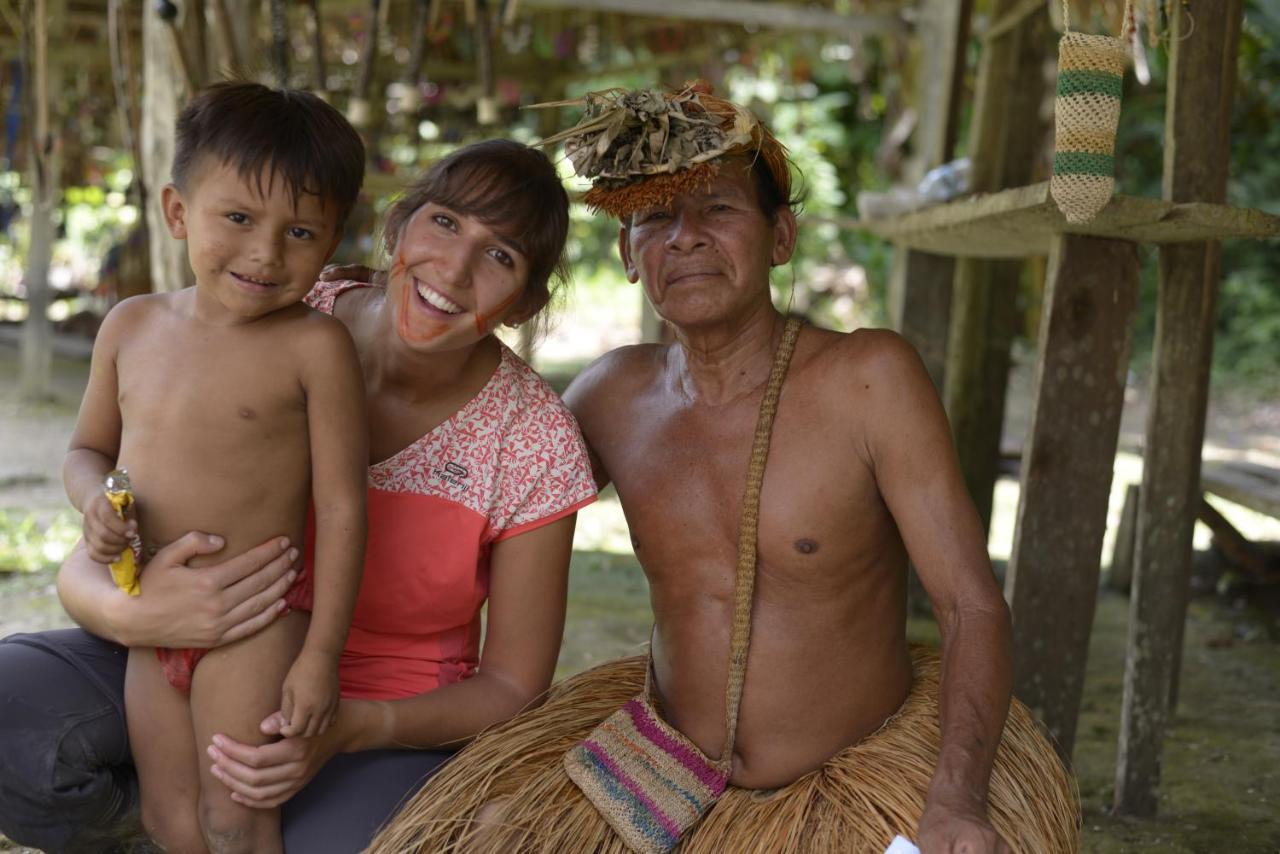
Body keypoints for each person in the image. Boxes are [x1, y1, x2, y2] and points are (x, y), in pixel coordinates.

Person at [368, 85, 1079, 854]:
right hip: (663, 761)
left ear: (781, 237)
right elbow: (465, 504)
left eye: (719, 210)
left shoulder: (869, 379)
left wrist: (957, 801)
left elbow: (972, 607)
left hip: (855, 770)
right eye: (656, 219)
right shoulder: (611, 396)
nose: (686, 239)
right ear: (629, 256)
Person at [0, 138, 596, 854]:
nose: (456, 268)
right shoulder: (267, 303)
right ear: (398, 225)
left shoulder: (530, 437)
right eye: (443, 223)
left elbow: (512, 686)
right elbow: (121, 495)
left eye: (501, 256)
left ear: (527, 300)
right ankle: (152, 826)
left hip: (383, 715)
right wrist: (127, 609)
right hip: (179, 637)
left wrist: (359, 725)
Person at [65, 80, 369, 854]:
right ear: (177, 212)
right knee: (171, 820)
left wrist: (319, 656)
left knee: (235, 817)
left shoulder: (315, 347)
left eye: (301, 232)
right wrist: (98, 502)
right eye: (238, 218)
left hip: (254, 623)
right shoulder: (129, 328)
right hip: (151, 612)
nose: (266, 253)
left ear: (331, 242)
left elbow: (341, 508)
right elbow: (87, 453)